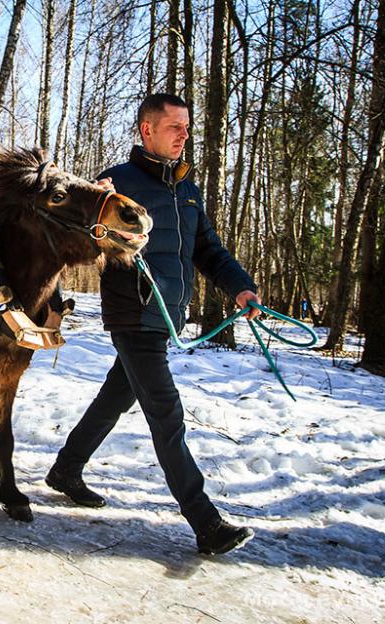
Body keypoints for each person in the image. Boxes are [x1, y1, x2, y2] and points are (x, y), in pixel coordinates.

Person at [46, 93, 260, 556]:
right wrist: (94, 214)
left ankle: (66, 468)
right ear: (147, 130)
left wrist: (240, 287)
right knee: (167, 414)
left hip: (165, 316)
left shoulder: (186, 190)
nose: (185, 135)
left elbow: (208, 250)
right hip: (134, 313)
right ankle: (205, 522)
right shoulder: (115, 184)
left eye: (187, 127)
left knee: (115, 397)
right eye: (174, 127)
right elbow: (76, 237)